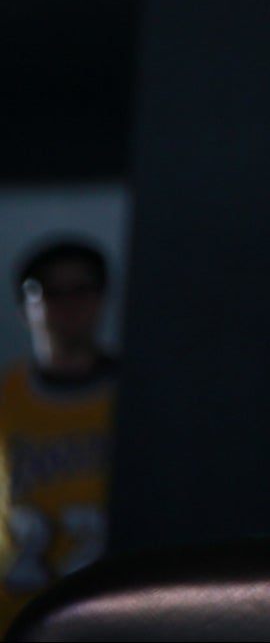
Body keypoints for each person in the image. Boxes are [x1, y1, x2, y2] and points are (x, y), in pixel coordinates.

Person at [1, 239, 117, 630]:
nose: (68, 304)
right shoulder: (6, 402)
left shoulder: (145, 397)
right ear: (25, 305)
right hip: (19, 619)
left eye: (81, 289)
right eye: (51, 291)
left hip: (118, 618)